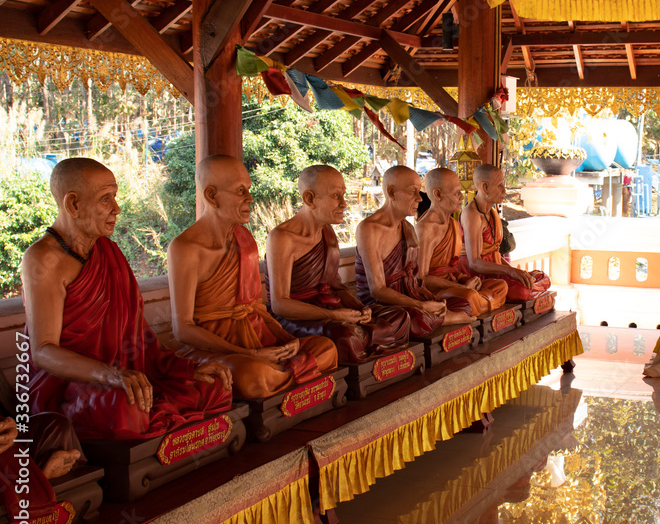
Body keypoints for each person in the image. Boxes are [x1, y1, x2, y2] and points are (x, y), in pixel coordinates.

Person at [23, 158, 232, 440]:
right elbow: (43, 351)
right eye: (105, 199)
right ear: (73, 204)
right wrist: (109, 375)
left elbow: (137, 334)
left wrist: (183, 368)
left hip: (122, 375)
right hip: (72, 385)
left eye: (115, 197)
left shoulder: (109, 251)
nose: (116, 209)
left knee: (214, 385)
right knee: (127, 410)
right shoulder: (43, 258)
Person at [168, 155, 338, 399]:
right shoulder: (185, 247)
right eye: (240, 191)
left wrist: (288, 339)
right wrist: (248, 354)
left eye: (248, 189)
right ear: (211, 196)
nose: (250, 198)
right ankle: (288, 377)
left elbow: (256, 307)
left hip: (258, 337)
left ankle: (280, 376)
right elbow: (183, 329)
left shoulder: (244, 240)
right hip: (217, 346)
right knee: (251, 376)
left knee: (326, 348)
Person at [265, 165, 409, 363]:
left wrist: (360, 308)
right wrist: (332, 315)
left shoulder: (328, 234)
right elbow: (280, 304)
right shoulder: (281, 238)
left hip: (330, 308)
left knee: (399, 317)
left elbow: (336, 287)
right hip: (296, 317)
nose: (344, 204)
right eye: (335, 195)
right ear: (309, 199)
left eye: (343, 195)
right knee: (346, 335)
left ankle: (380, 360)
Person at [355, 166, 475, 338]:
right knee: (410, 318)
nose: (420, 198)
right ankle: (444, 319)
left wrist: (429, 299)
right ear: (391, 192)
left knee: (462, 303)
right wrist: (421, 306)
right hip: (380, 305)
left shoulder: (408, 229)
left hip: (407, 297)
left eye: (419, 191)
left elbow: (413, 279)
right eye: (413, 192)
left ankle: (438, 316)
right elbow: (377, 290)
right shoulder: (369, 229)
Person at [417, 168, 507, 317]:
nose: (461, 196)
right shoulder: (425, 229)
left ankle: (479, 304)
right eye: (456, 192)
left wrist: (467, 280)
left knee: (500, 286)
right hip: (437, 292)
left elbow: (452, 268)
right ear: (438, 194)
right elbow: (422, 279)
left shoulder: (452, 223)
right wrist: (461, 286)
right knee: (470, 297)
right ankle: (481, 303)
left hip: (455, 284)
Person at [461, 164, 550, 302]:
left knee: (541, 277)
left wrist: (517, 273)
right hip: (479, 277)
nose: (504, 190)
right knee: (521, 291)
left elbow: (494, 255)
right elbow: (474, 263)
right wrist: (511, 272)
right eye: (499, 185)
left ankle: (532, 289)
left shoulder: (492, 213)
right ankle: (533, 292)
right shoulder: (472, 214)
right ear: (485, 187)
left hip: (498, 271)